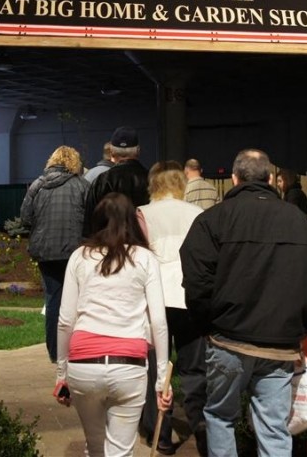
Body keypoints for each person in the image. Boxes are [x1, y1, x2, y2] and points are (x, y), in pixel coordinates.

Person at [180, 149, 307, 457]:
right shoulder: (299, 222)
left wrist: (209, 319)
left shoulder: (213, 220)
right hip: (278, 345)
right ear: (270, 179)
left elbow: (196, 281)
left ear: (234, 178)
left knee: (221, 417)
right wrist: (295, 310)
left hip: (228, 340)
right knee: (274, 427)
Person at [55, 192, 172, 457]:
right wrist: (162, 379)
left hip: (83, 365)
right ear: (133, 222)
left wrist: (61, 373)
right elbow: (158, 322)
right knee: (120, 451)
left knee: (95, 447)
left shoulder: (80, 257)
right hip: (128, 365)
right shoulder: (145, 259)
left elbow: (65, 321)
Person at [138, 161, 208, 456]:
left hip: (154, 299)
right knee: (194, 369)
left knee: (155, 366)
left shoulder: (142, 213)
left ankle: (161, 434)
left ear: (154, 184)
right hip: (189, 297)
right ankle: (203, 428)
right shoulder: (198, 214)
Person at [21, 145, 90, 363]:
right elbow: (91, 219)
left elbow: (25, 219)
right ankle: (76, 350)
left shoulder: (37, 186)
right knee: (79, 301)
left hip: (45, 251)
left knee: (53, 300)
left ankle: (54, 352)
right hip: (75, 252)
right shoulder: (82, 185)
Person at [84, 126, 149, 236]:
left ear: (112, 152)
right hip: (144, 245)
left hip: (109, 245)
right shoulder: (151, 179)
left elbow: (90, 223)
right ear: (138, 151)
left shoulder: (102, 180)